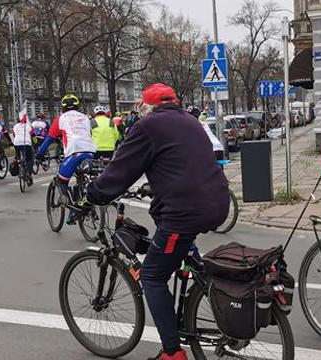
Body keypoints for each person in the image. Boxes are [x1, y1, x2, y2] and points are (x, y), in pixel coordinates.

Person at [74, 83, 229, 360]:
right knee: (172, 246)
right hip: (217, 202)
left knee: (152, 276)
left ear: (147, 106)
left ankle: (172, 353)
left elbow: (121, 169)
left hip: (185, 212)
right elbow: (180, 163)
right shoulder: (190, 122)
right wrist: (155, 186)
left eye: (141, 107)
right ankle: (191, 262)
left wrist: (94, 193)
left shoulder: (149, 126)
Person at [35, 94, 97, 224]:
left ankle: (71, 207)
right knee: (81, 179)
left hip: (74, 153)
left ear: (62, 107)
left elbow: (49, 139)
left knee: (61, 181)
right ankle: (80, 201)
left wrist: (39, 154)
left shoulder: (61, 118)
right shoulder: (85, 117)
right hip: (90, 152)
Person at [12, 110, 35, 185]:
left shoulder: (15, 126)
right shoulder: (29, 126)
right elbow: (33, 136)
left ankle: (17, 161)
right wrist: (36, 143)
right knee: (29, 158)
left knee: (18, 156)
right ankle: (29, 173)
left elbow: (14, 134)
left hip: (17, 143)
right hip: (26, 144)